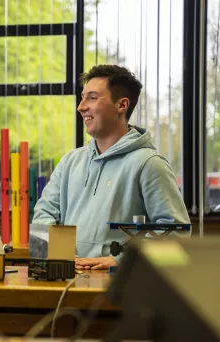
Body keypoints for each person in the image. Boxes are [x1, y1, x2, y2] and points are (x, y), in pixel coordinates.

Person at [32, 65, 190, 270]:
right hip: (67, 277)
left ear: (122, 105)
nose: (81, 107)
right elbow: (43, 214)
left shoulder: (149, 164)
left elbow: (176, 234)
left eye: (92, 97)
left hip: (119, 284)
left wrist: (120, 261)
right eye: (82, 97)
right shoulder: (70, 162)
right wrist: (51, 259)